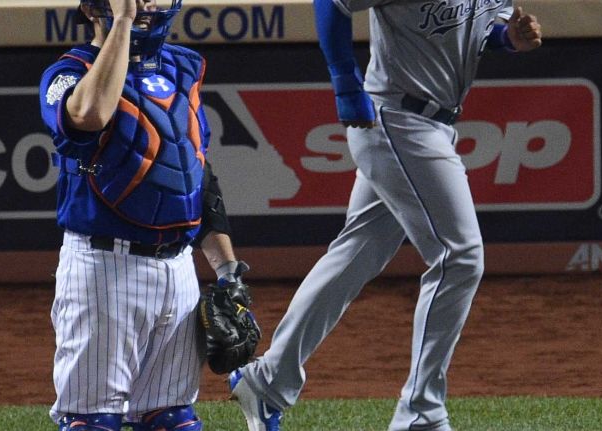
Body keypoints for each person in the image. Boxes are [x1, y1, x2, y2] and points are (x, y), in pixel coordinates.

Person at [227, 0, 542, 430]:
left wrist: (508, 38)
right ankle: (421, 413)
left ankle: (266, 381)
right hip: (396, 117)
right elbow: (331, 3)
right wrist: (344, 82)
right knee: (460, 255)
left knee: (355, 253)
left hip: (431, 121)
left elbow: (481, 22)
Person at [39, 1, 248, 429]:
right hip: (105, 270)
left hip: (179, 270)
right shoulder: (67, 74)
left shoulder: (182, 68)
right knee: (92, 421)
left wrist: (228, 271)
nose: (143, 4)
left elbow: (194, 175)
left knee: (172, 419)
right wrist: (122, 23)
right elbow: (89, 115)